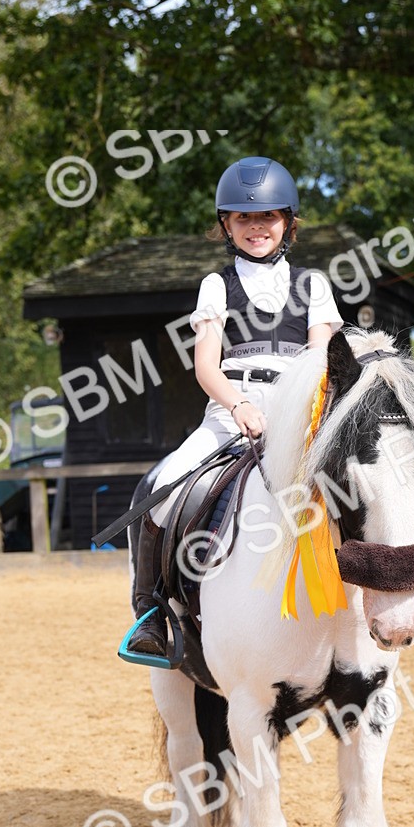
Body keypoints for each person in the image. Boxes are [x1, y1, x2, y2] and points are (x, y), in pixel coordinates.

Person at [128, 155, 343, 656]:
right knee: (159, 487)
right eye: (244, 218)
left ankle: (394, 590)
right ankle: (153, 612)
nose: (256, 227)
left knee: (361, 478)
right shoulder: (215, 285)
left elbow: (319, 358)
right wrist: (241, 405)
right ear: (226, 224)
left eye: (267, 217)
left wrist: (299, 411)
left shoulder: (313, 284)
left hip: (300, 412)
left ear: (287, 222)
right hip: (230, 410)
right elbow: (206, 367)